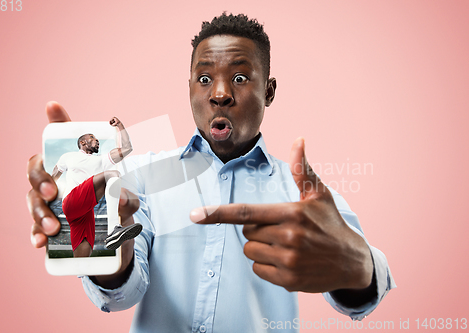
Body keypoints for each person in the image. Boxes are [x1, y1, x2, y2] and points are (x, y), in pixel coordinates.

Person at [27, 13, 395, 332]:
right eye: (204, 79)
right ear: (189, 89)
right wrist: (105, 246)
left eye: (239, 78)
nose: (219, 94)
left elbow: (361, 288)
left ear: (268, 91)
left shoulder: (303, 193)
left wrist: (360, 267)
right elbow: (122, 294)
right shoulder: (140, 175)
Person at [51, 117, 142, 257]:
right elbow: (54, 175)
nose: (97, 140)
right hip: (71, 201)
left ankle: (82, 268)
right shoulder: (68, 156)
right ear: (83, 142)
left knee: (85, 249)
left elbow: (127, 148)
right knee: (113, 174)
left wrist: (120, 126)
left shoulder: (101, 160)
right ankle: (113, 229)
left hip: (85, 209)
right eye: (92, 138)